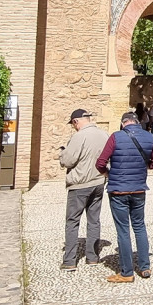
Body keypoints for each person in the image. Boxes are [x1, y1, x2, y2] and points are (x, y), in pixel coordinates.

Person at [95, 112, 153, 282]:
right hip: (139, 189)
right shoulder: (148, 136)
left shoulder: (116, 137)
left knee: (123, 230)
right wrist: (144, 167)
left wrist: (108, 174)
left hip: (118, 190)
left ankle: (127, 272)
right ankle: (145, 267)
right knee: (139, 226)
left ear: (123, 123)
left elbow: (100, 163)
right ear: (137, 122)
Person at [59, 108, 108, 270]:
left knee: (72, 221)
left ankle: (70, 260)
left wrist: (62, 153)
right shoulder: (103, 135)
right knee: (94, 220)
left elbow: (68, 160)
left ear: (76, 121)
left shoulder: (78, 137)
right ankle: (92, 257)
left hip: (80, 184)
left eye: (73, 124)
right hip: (99, 182)